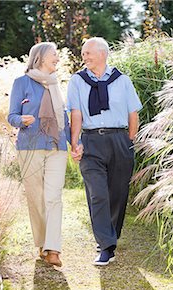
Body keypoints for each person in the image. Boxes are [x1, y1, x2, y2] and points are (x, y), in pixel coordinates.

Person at [67, 37, 142, 266]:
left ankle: (111, 236)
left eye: (88, 53)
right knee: (97, 193)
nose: (84, 57)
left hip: (120, 140)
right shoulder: (77, 81)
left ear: (103, 54)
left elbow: (133, 115)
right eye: (83, 54)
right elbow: (76, 114)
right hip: (91, 142)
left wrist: (129, 141)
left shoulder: (123, 80)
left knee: (118, 194)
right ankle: (105, 246)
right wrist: (75, 143)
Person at [8, 42, 70, 267]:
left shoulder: (56, 84)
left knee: (54, 197)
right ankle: (42, 243)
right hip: (29, 146)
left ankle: (53, 249)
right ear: (41, 57)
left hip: (56, 146)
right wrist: (21, 120)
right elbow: (12, 116)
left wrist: (77, 143)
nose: (57, 58)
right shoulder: (22, 83)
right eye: (54, 54)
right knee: (36, 199)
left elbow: (64, 119)